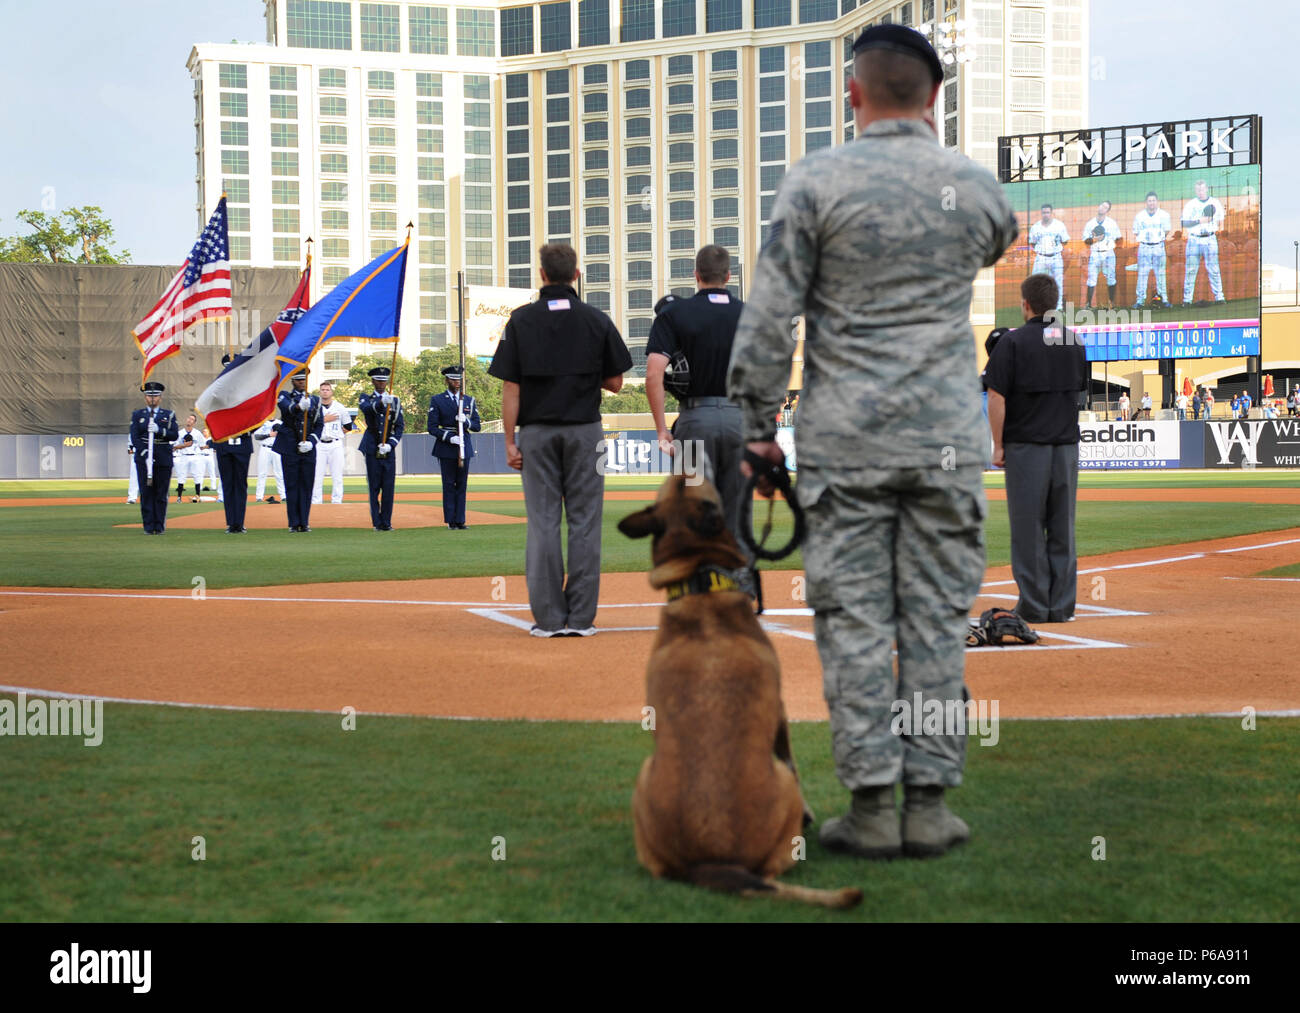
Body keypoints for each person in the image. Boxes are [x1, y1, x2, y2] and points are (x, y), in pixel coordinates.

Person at [727, 24, 1017, 860]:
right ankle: (928, 804)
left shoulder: (816, 182)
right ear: (935, 97)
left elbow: (770, 317)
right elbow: (997, 240)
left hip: (844, 441)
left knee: (852, 620)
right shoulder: (973, 185)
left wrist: (755, 428)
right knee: (933, 618)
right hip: (946, 443)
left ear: (853, 94)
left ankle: (869, 804)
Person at [488, 242, 633, 638]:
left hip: (536, 432)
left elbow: (510, 389)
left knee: (543, 523)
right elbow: (617, 382)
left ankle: (550, 620)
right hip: (586, 430)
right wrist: (583, 375)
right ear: (577, 275)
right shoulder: (595, 319)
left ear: (541, 274)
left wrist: (509, 441)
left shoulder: (520, 320)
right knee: (585, 523)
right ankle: (582, 619)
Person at [985, 274, 1089, 624]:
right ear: (1054, 303)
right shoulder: (1073, 341)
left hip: (1027, 446)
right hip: (1065, 447)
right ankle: (1061, 607)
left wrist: (997, 445)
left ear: (1025, 303)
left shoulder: (1012, 343)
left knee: (1028, 529)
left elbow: (996, 395)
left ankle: (1033, 605)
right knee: (1063, 527)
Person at [646, 244, 747, 545]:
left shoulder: (675, 313)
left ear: (696, 275)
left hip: (694, 421)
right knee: (738, 520)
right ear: (728, 276)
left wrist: (663, 430)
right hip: (741, 421)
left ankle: (698, 589)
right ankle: (739, 587)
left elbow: (654, 374)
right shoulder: (751, 314)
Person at [428, 364, 482, 530]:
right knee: (449, 484)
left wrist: (465, 421)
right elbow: (432, 427)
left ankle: (461, 519)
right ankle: (451, 520)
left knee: (462, 484)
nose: (456, 382)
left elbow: (477, 426)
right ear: (447, 380)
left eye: (458, 379)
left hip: (464, 445)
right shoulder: (437, 400)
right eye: (453, 379)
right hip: (447, 446)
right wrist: (450, 438)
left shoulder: (468, 400)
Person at [271, 366, 323, 532]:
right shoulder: (284, 396)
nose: (302, 382)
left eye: (304, 379)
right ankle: (294, 523)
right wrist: (299, 407)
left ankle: (305, 522)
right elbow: (287, 409)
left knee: (307, 485)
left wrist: (311, 442)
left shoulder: (315, 400)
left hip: (308, 448)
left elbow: (319, 424)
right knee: (292, 485)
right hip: (289, 447)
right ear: (292, 381)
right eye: (299, 379)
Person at [129, 381, 180, 534]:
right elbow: (135, 436)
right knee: (146, 492)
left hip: (163, 455)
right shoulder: (138, 415)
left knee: (161, 493)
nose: (152, 399)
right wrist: (144, 453)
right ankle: (148, 526)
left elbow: (174, 435)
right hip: (144, 458)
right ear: (145, 397)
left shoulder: (168, 415)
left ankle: (159, 525)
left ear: (160, 397)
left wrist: (160, 430)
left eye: (155, 396)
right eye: (149, 396)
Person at [210, 356, 254, 533]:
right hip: (224, 443)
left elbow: (257, 414)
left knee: (240, 485)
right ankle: (231, 523)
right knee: (228, 485)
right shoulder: (216, 392)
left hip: (242, 442)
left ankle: (240, 522)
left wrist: (248, 429)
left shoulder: (248, 391)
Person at [357, 366, 403, 531]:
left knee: (388, 487)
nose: (382, 383)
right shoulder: (365, 398)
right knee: (374, 486)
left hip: (388, 449)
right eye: (379, 380)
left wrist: (390, 444)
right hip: (371, 446)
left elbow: (399, 426)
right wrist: (381, 403)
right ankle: (377, 522)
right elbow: (367, 409)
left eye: (384, 381)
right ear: (373, 381)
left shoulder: (395, 401)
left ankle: (387, 522)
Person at [1180, 180, 1226, 306]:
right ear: (1196, 191)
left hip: (1210, 239)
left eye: (1202, 189)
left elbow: (1221, 221)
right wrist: (1199, 221)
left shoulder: (1215, 202)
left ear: (1206, 189)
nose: (1200, 192)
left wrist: (1219, 231)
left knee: (1214, 269)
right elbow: (1184, 223)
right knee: (1190, 270)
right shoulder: (1190, 204)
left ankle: (1219, 297)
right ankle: (1187, 300)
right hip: (1194, 239)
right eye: (1198, 190)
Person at [312, 380, 353, 505]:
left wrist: (338, 434)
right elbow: (309, 425)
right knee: (317, 476)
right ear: (320, 392)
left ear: (332, 392)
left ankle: (337, 501)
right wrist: (324, 420)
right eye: (323, 389)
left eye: (327, 389)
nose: (325, 391)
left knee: (337, 475)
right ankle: (316, 501)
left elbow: (348, 426)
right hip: (319, 443)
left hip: (335, 444)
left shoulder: (339, 407)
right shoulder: (314, 407)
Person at [1132, 191, 1172, 307]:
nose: (1152, 203)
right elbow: (1136, 231)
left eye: (1154, 200)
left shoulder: (1164, 215)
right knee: (1142, 274)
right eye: (1149, 201)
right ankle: (1140, 301)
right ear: (1146, 202)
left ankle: (1164, 300)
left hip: (1158, 246)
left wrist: (1157, 238)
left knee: (1160, 274)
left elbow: (1167, 230)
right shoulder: (1139, 216)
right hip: (1144, 247)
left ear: (1157, 202)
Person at [1027, 204, 1069, 310]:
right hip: (1041, 258)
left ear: (1052, 213)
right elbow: (1032, 242)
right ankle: (1038, 306)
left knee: (1058, 282)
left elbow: (1065, 240)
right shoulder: (1036, 227)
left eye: (1048, 212)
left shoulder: (1059, 225)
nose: (1046, 214)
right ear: (1041, 213)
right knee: (1036, 282)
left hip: (1056, 257)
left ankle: (1058, 306)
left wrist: (1056, 249)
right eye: (1044, 212)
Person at [1083, 201, 1120, 309]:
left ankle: (1111, 304)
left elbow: (1118, 238)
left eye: (1105, 207)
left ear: (1107, 211)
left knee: (1111, 278)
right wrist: (1095, 239)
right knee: (1091, 279)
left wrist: (1107, 242)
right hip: (1095, 254)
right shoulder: (1089, 224)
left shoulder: (1112, 223)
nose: (1102, 208)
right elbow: (1086, 241)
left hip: (1108, 253)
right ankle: (1089, 305)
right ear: (1098, 206)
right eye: (1101, 205)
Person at [171, 413, 205, 502]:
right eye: (189, 418)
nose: (189, 420)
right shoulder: (180, 433)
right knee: (181, 476)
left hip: (195, 456)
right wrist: (184, 445)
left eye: (192, 419)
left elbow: (202, 446)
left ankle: (197, 496)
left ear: (194, 422)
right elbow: (175, 446)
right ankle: (179, 498)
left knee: (197, 475)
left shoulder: (197, 433)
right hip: (183, 456)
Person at [252, 418, 284, 503]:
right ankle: (259, 496)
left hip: (277, 448)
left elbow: (285, 435)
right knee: (262, 473)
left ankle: (283, 495)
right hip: (265, 448)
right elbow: (256, 436)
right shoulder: (262, 423)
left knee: (279, 473)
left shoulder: (280, 423)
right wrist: (269, 435)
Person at [126, 438, 139, 505]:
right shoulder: (133, 431)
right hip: (136, 456)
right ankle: (132, 498)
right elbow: (129, 450)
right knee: (134, 477)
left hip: (151, 456)